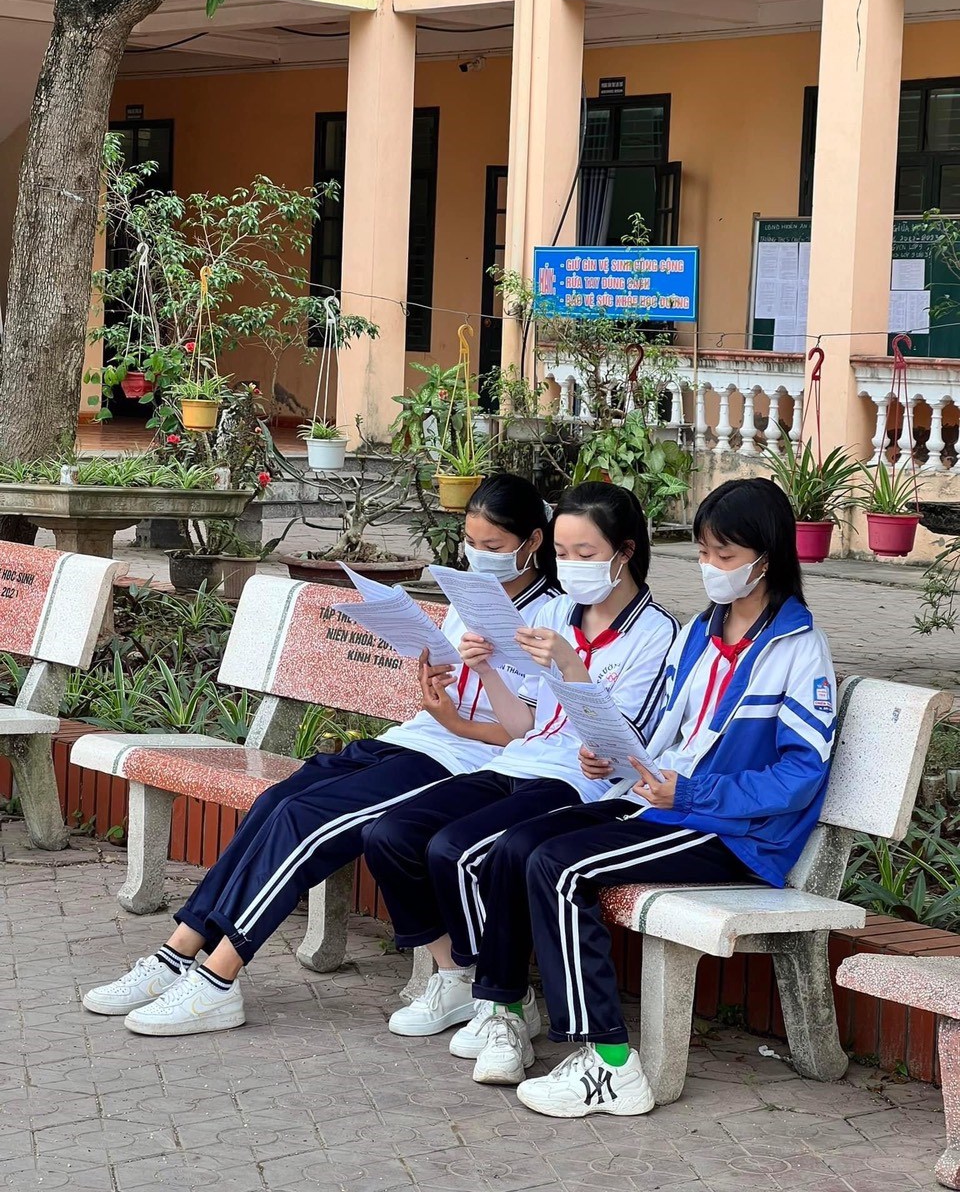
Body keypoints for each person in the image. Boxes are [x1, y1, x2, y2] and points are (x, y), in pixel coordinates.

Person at [81, 473, 560, 1036]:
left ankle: (217, 979)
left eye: (493, 547)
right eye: (472, 543)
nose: (479, 557)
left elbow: (533, 733)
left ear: (532, 541)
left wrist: (456, 716)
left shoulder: (551, 618)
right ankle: (175, 954)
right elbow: (444, 687)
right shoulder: (467, 600)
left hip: (464, 765)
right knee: (276, 801)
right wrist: (432, 685)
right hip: (414, 739)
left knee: (304, 821)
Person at [460, 477, 837, 1117]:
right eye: (703, 552)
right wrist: (612, 754)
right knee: (519, 844)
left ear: (766, 558)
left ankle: (609, 1064)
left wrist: (691, 790)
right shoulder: (701, 632)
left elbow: (800, 774)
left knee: (560, 869)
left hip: (735, 834)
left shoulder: (798, 649)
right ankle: (503, 1011)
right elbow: (661, 729)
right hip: (665, 801)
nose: (710, 567)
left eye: (724, 555)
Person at [363, 481, 678, 1047]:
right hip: (521, 759)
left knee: (456, 849)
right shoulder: (555, 611)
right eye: (562, 553)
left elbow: (624, 747)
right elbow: (523, 725)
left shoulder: (657, 633)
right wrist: (485, 670)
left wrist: (571, 664)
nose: (571, 565)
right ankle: (464, 978)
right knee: (390, 834)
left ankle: (501, 1001)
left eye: (586, 553)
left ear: (625, 552)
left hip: (576, 782)